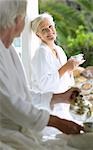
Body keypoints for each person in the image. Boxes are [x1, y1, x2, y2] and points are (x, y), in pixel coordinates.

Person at [0, 1, 84, 150]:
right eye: (24, 17)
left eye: (51, 27)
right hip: (9, 134)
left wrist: (59, 97)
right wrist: (55, 121)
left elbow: (22, 95)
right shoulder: (39, 53)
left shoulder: (8, 49)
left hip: (27, 128)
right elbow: (12, 104)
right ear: (16, 20)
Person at [30, 13, 84, 116]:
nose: (50, 31)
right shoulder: (41, 53)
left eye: (50, 26)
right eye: (44, 30)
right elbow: (44, 85)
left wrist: (71, 68)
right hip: (49, 108)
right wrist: (66, 67)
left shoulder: (58, 49)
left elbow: (64, 77)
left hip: (64, 105)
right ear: (38, 35)